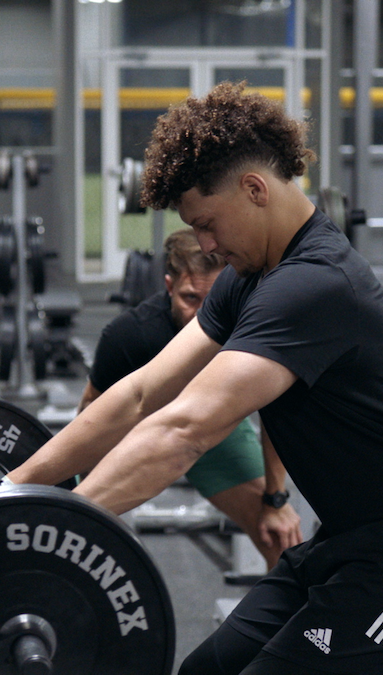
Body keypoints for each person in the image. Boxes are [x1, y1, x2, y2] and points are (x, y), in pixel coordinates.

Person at [6, 82, 383, 675]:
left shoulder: (315, 285)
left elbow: (184, 429)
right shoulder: (245, 279)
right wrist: (11, 494)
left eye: (207, 224)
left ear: (254, 190)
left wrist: (46, 531)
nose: (203, 245)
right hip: (351, 539)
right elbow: (145, 392)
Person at [80, 228, 303, 571]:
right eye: (189, 298)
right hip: (141, 434)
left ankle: (288, 623)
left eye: (213, 299)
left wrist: (276, 499)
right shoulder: (130, 335)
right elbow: (90, 414)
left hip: (217, 431)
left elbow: (276, 413)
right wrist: (84, 502)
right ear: (169, 286)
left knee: (284, 541)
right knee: (80, 533)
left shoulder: (250, 330)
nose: (201, 314)